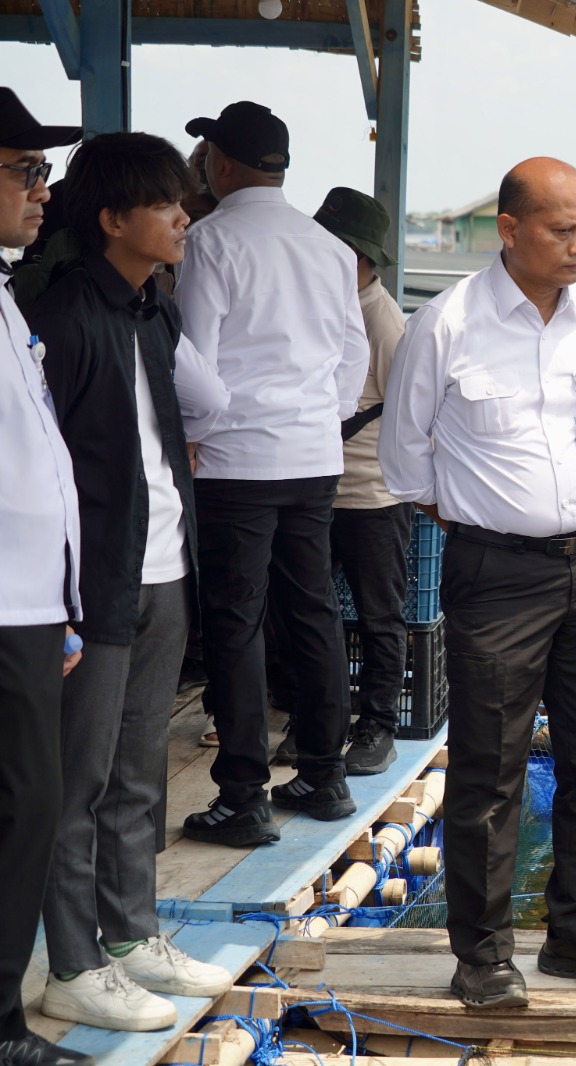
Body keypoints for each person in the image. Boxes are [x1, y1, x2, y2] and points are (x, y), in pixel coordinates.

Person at [380, 157, 576, 1007]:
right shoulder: (446, 324)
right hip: (497, 573)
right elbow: (403, 455)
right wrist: (484, 519)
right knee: (490, 770)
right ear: (509, 228)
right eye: (562, 229)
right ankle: (483, 955)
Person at [28, 132, 233, 1032]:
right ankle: (72, 961)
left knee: (142, 771)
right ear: (113, 219)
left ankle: (129, 935)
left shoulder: (158, 309)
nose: (183, 217)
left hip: (164, 568)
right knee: (79, 780)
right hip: (94, 581)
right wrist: (61, 594)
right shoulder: (67, 315)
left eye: (184, 201)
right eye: (164, 205)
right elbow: (42, 466)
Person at [175, 100, 368, 845]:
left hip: (236, 459)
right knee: (313, 609)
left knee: (235, 620)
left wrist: (198, 431)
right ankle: (324, 772)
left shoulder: (212, 241)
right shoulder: (325, 246)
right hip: (313, 455)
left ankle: (243, 795)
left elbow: (195, 357)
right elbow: (352, 356)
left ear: (222, 164)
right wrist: (317, 414)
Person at [0, 86, 89, 1066]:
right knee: (24, 806)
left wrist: (61, 609)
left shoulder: (6, 291)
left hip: (28, 604)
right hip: (2, 604)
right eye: (26, 170)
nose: (42, 190)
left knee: (26, 805)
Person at [314, 186, 409, 774]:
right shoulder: (334, 309)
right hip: (322, 490)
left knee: (379, 616)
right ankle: (316, 719)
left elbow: (412, 413)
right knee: (314, 613)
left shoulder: (384, 319)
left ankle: (378, 725)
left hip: (373, 494)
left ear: (360, 256)